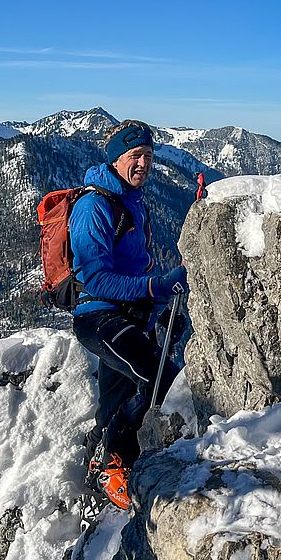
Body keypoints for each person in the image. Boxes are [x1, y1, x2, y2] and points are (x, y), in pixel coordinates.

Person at [69, 119, 187, 510]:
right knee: (159, 377)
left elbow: (136, 268)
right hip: (99, 317)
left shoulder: (131, 204)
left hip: (129, 315)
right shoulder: (93, 207)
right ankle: (113, 463)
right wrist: (153, 288)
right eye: (135, 156)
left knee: (116, 394)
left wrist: (157, 296)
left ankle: (103, 461)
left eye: (149, 156)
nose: (143, 164)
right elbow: (98, 279)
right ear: (116, 159)